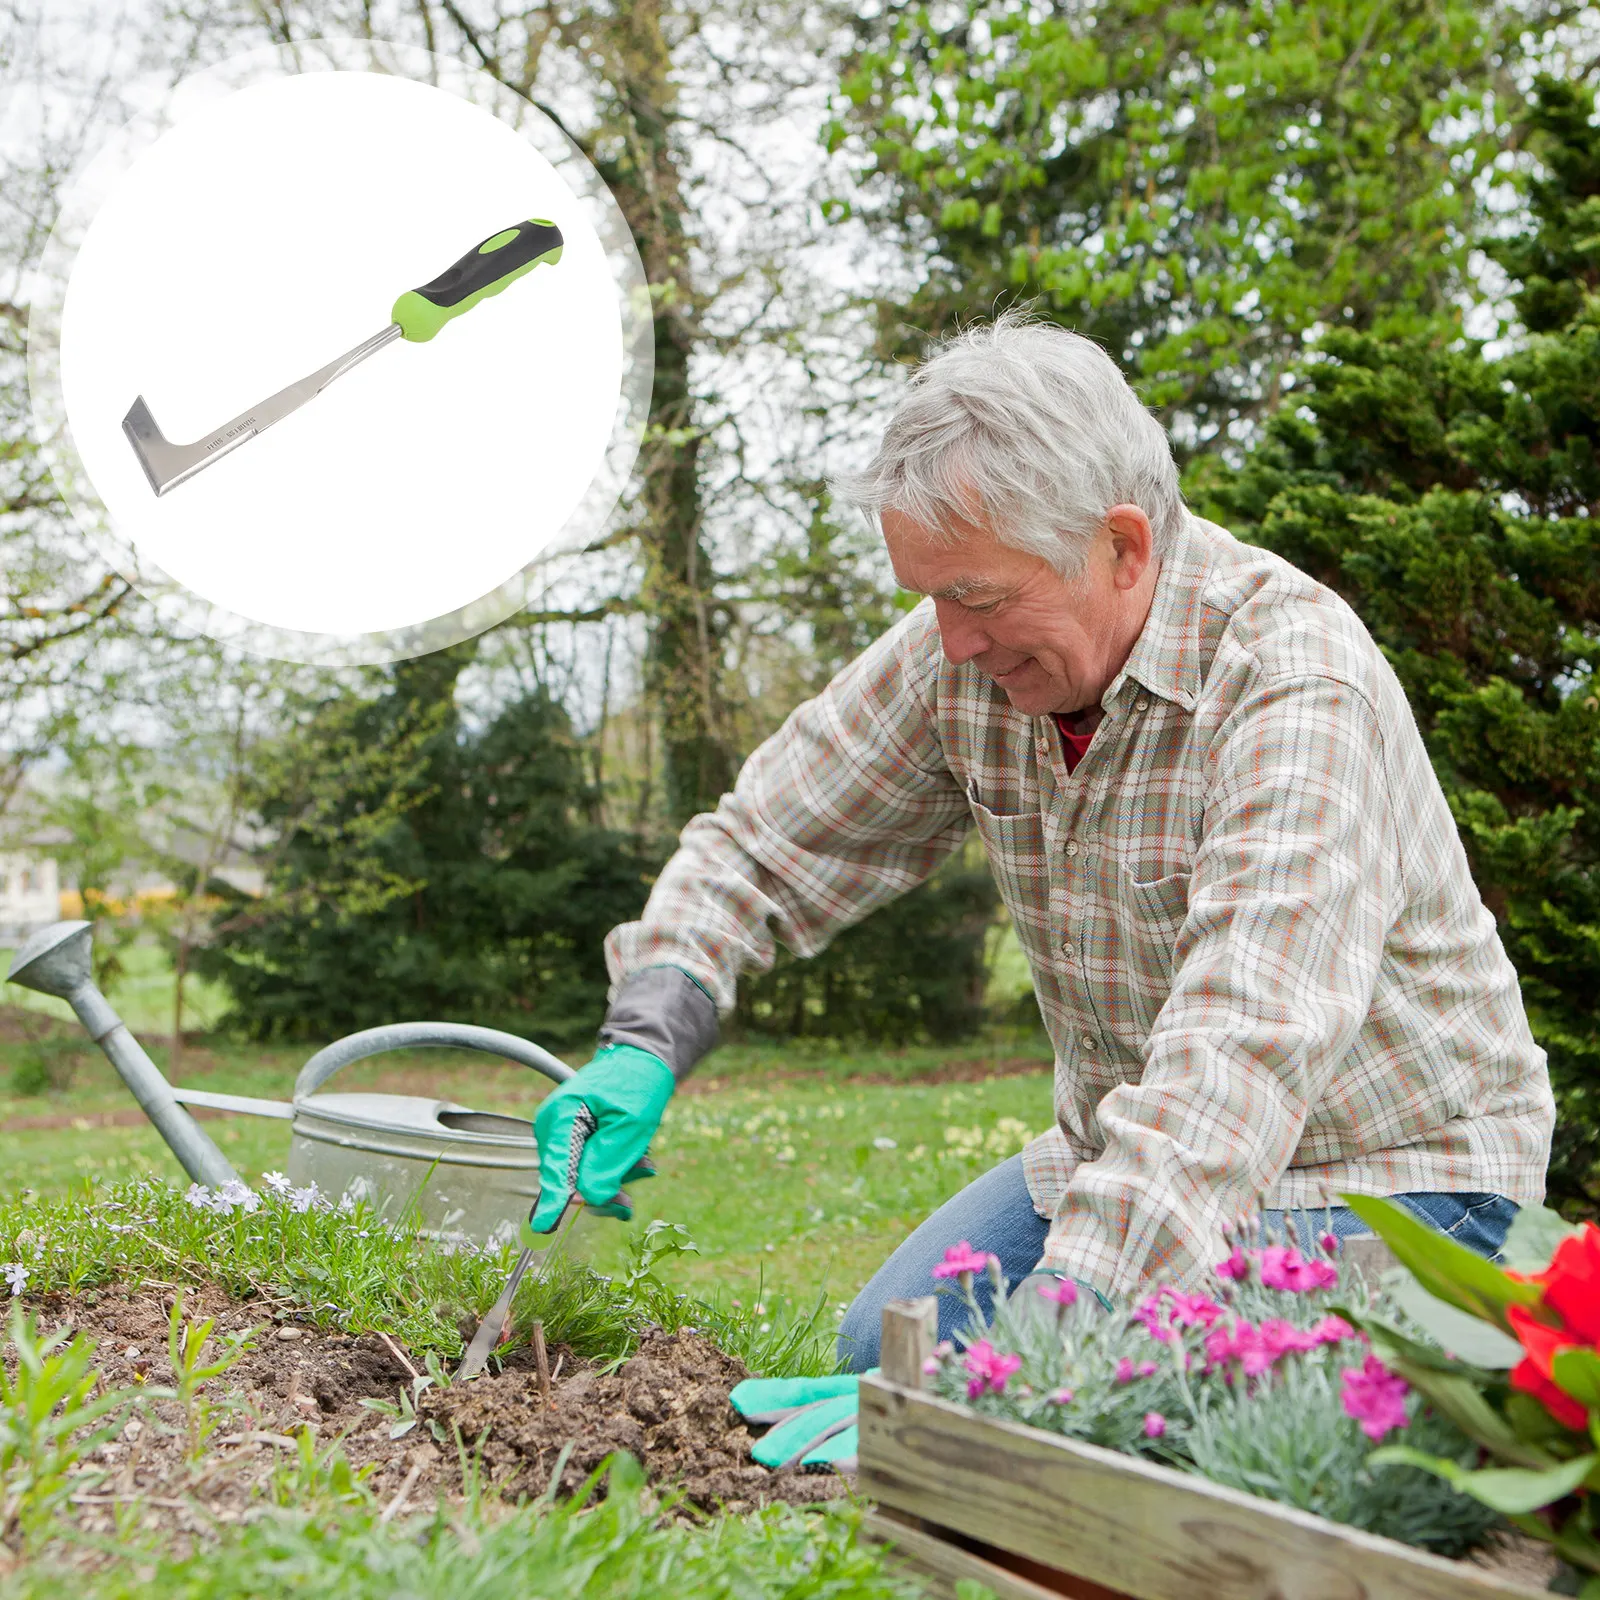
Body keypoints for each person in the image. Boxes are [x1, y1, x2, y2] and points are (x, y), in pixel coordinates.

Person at [528, 314, 1555, 1386]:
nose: (954, 641)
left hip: (1400, 1183)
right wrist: (648, 1029)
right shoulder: (963, 654)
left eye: (978, 596)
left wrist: (1039, 1358)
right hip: (1126, 1157)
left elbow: (1239, 1053)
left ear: (1123, 546)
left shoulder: (1290, 682)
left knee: (1111, 1417)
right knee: (886, 1357)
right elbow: (764, 842)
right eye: (931, 597)